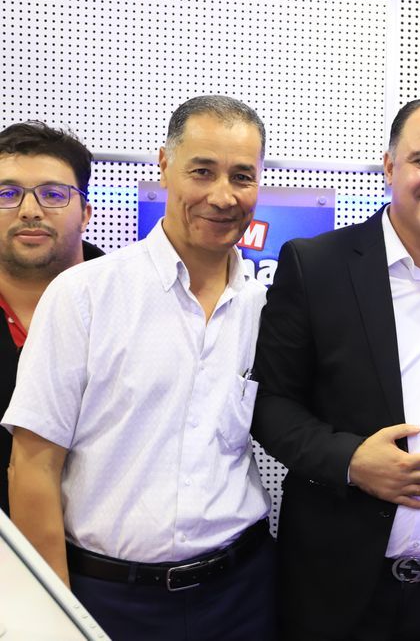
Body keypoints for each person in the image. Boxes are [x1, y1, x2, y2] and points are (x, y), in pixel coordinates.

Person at [251, 94, 420, 640]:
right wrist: (351, 460)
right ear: (389, 166)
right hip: (338, 590)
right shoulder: (317, 264)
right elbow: (269, 404)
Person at [3, 95, 276, 640]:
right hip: (109, 598)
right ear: (164, 166)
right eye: (202, 171)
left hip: (241, 592)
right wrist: (54, 622)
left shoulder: (266, 306)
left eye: (242, 176)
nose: (223, 195)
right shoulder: (84, 294)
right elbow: (32, 467)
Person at [0, 121, 102, 516]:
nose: (29, 211)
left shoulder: (135, 305)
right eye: (7, 194)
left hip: (106, 548)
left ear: (86, 213)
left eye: (53, 194)